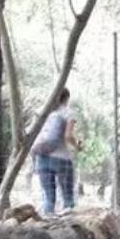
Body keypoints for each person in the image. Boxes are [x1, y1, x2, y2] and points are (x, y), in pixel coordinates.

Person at [33, 88, 81, 216]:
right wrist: (77, 146)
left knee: (48, 198)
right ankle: (70, 229)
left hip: (41, 157)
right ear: (66, 99)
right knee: (68, 198)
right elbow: (67, 136)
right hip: (62, 159)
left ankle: (49, 224)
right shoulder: (68, 113)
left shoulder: (42, 113)